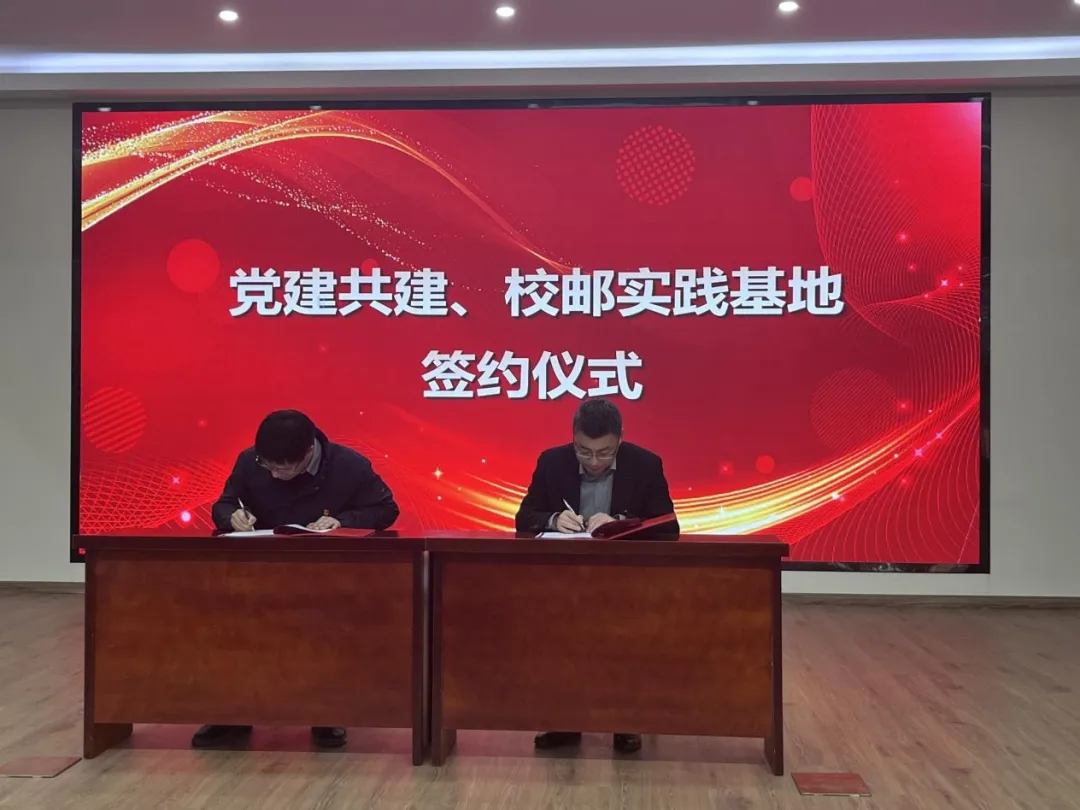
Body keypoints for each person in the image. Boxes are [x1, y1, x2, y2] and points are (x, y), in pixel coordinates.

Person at [194, 409, 400, 750]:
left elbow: (385, 510)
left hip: (326, 578)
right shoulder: (249, 461)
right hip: (258, 574)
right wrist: (232, 517)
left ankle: (326, 713)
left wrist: (342, 521)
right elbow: (225, 503)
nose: (275, 474)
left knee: (323, 633)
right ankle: (230, 713)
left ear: (308, 452)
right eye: (268, 465)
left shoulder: (349, 465)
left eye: (284, 467)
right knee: (229, 629)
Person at [515, 398, 678, 755]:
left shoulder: (646, 464)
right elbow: (524, 517)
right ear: (573, 438)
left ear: (620, 439)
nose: (593, 461)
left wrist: (622, 524)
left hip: (625, 581)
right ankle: (564, 721)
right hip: (565, 580)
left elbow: (668, 526)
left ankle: (624, 722)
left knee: (624, 643)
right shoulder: (552, 461)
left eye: (604, 453)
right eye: (583, 451)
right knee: (561, 645)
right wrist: (552, 519)